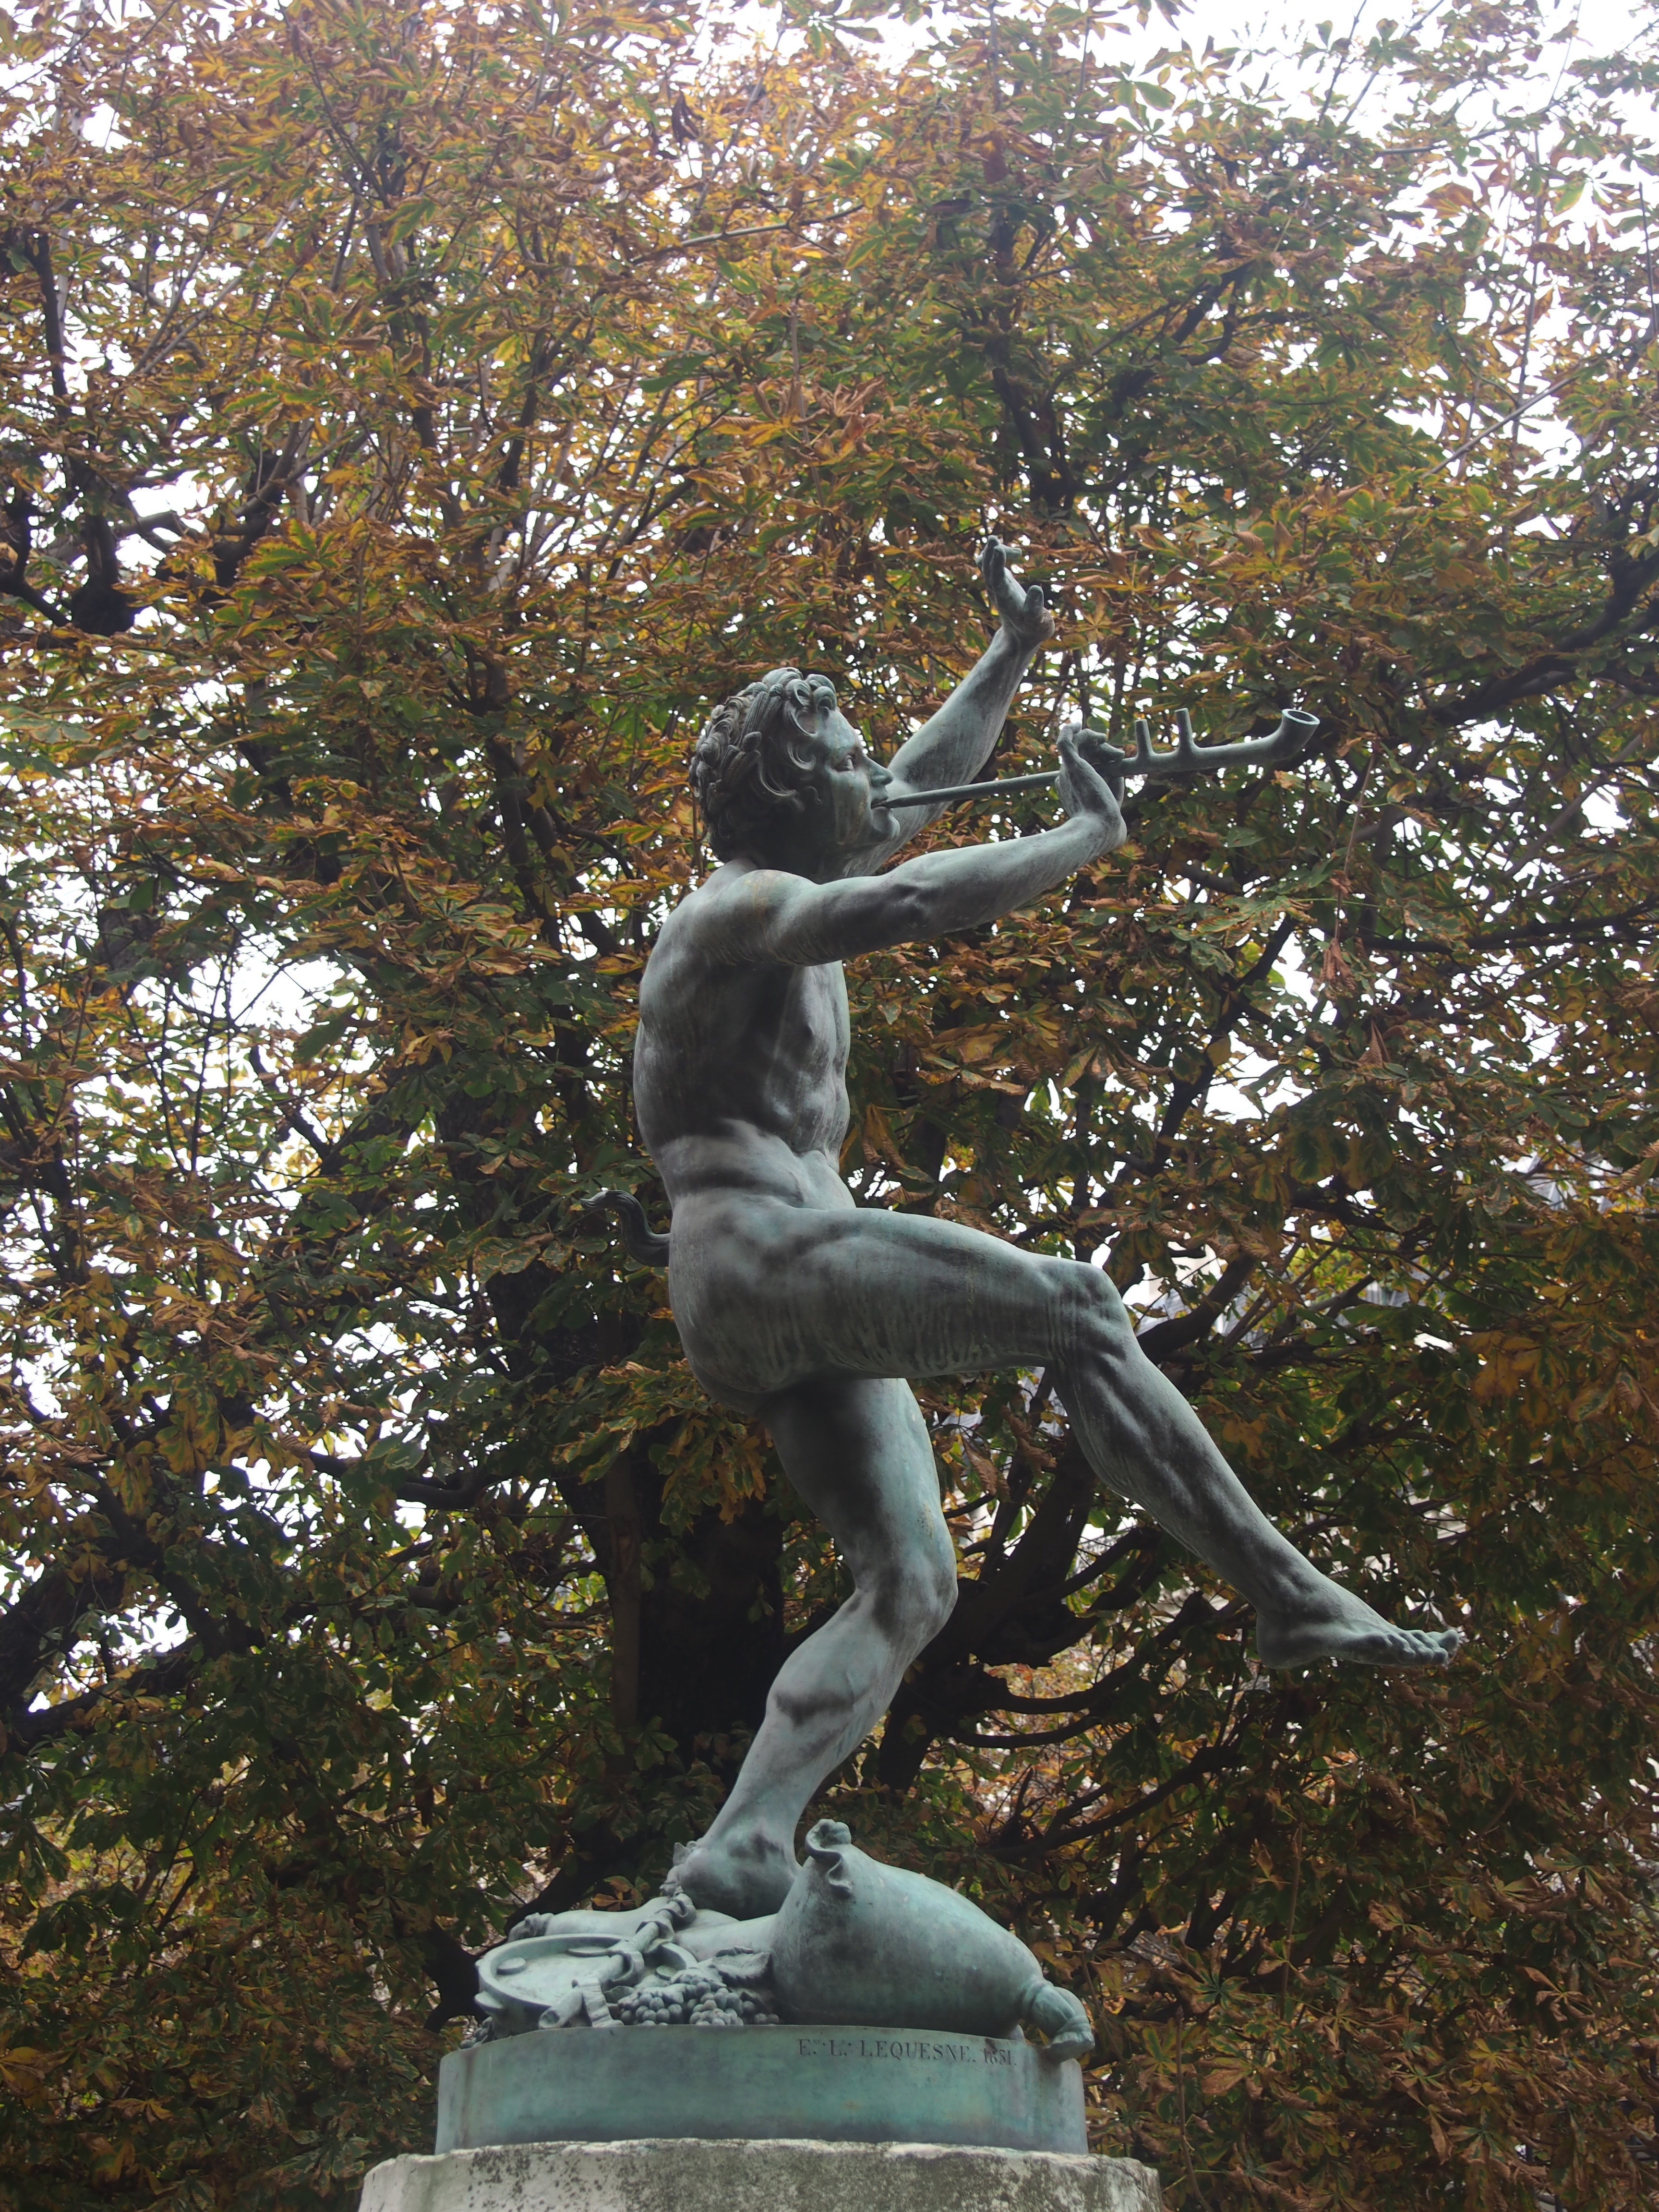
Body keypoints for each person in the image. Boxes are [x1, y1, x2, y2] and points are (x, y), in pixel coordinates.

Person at [628, 539, 1461, 1922]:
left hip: (777, 1280)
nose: (876, 775)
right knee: (1077, 1305)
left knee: (911, 1581)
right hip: (758, 1257)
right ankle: (1288, 1593)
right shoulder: (740, 908)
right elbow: (907, 897)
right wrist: (1082, 838)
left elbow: (922, 787)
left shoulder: (801, 868)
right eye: (845, 756)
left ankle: (745, 1845)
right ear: (790, 792)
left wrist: (1012, 648)